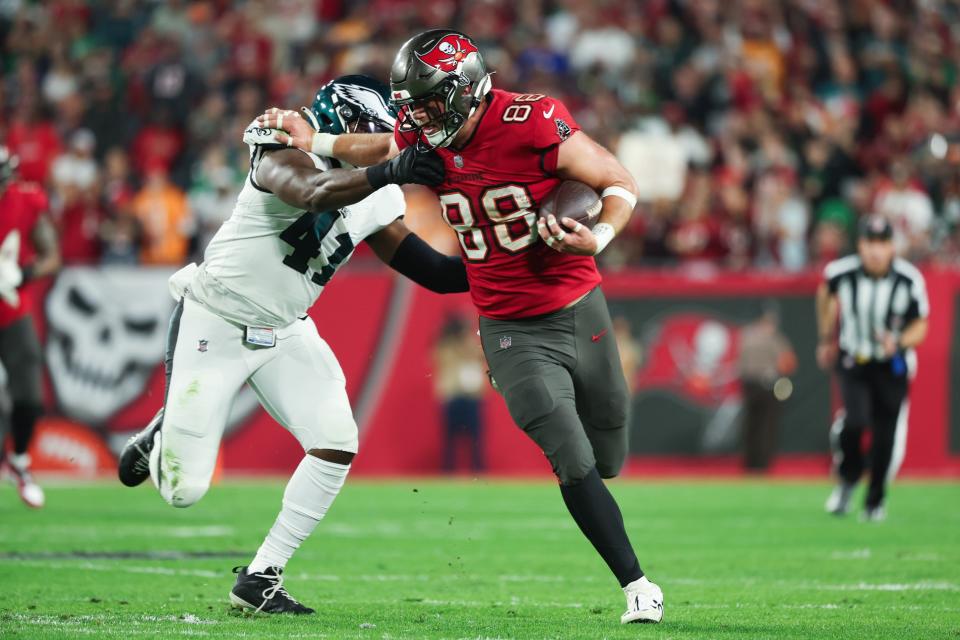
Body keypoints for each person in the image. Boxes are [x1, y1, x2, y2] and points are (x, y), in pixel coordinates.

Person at [260, 30, 663, 624]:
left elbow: (618, 181)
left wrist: (597, 235)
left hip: (580, 303)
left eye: (428, 102)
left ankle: (608, 501)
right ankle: (637, 585)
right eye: (412, 106)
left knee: (609, 450)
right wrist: (313, 138)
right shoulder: (425, 135)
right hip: (508, 327)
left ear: (468, 90)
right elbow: (376, 147)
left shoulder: (533, 119)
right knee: (571, 456)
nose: (418, 117)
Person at [117, 75, 466, 614]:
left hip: (286, 328)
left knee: (336, 441)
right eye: (364, 133)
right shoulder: (279, 141)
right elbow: (312, 192)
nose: (372, 145)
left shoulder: (374, 190)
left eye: (380, 138)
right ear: (331, 121)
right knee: (183, 491)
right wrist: (389, 169)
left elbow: (438, 274)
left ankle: (260, 577)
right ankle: (160, 435)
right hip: (217, 317)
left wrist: (513, 258)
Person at [816, 215, 929, 521]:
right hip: (855, 359)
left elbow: (920, 325)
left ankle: (874, 501)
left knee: (885, 437)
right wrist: (827, 336)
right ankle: (848, 480)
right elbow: (825, 293)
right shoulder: (842, 273)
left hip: (892, 366)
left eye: (882, 243)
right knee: (854, 422)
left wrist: (901, 341)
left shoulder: (908, 280)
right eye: (870, 243)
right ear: (860, 245)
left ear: (892, 246)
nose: (876, 251)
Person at [0, 146, 62, 508]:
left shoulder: (25, 201)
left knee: (29, 397)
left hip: (11, 309)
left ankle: (20, 462)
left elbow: (51, 256)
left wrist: (21, 274)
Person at [737, 304, 796, 472]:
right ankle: (762, 465)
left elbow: (739, 363)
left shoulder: (746, 336)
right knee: (766, 426)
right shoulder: (774, 338)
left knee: (752, 426)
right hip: (767, 384)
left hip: (750, 385)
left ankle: (751, 464)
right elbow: (788, 363)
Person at [433, 314, 486, 473]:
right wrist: (450, 335)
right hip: (452, 398)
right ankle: (448, 472)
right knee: (449, 439)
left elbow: (481, 355)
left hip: (472, 397)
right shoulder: (446, 346)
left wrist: (466, 339)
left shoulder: (472, 345)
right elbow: (438, 356)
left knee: (476, 439)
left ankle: (479, 472)